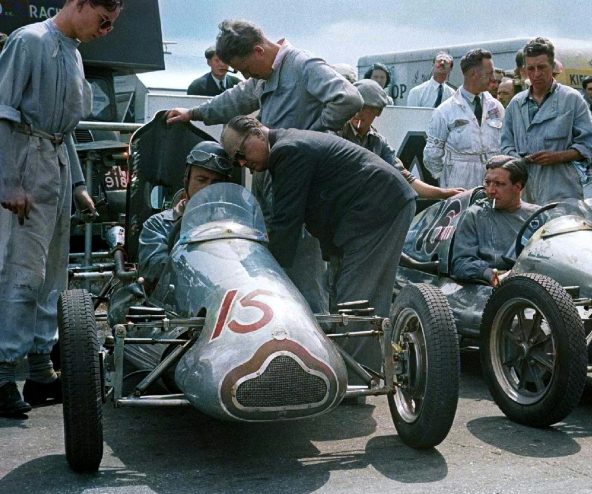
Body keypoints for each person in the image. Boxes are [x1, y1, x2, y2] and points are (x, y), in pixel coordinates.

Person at [165, 19, 363, 315]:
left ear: (258, 50)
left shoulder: (303, 65)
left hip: (301, 197)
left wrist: (311, 135)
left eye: (244, 68)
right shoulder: (265, 76)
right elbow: (235, 99)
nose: (245, 76)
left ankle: (319, 349)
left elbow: (348, 98)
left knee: (305, 279)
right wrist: (193, 113)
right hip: (273, 195)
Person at [0, 0, 122, 417]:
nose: (106, 31)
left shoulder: (72, 52)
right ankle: (1, 376)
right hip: (25, 163)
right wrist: (9, 181)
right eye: (103, 21)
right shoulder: (29, 41)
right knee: (20, 270)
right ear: (80, 4)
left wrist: (79, 183)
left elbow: (64, 128)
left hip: (53, 162)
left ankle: (39, 374)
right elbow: (2, 111)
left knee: (52, 274)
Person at [220, 115, 416, 320]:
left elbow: (286, 222)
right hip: (371, 210)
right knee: (345, 298)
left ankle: (359, 351)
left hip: (380, 206)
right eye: (236, 162)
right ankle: (357, 349)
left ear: (257, 133)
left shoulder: (286, 150)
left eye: (241, 153)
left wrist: (257, 269)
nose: (242, 163)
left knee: (356, 302)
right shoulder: (287, 144)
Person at [501, 37, 592, 204]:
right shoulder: (516, 104)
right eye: (531, 68)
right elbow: (505, 145)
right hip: (523, 188)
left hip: (561, 186)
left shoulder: (572, 99)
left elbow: (590, 143)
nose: (536, 74)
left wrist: (558, 157)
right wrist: (518, 159)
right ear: (525, 70)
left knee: (562, 227)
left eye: (542, 67)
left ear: (553, 67)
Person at [339, 79, 462, 199]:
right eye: (355, 106)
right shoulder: (336, 133)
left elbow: (406, 179)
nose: (358, 113)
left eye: (365, 108)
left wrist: (443, 193)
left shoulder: (378, 142)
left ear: (378, 111)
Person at [138, 142, 234, 286]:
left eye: (216, 182)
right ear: (186, 180)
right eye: (201, 180)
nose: (207, 188)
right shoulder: (158, 224)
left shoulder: (233, 227)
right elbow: (155, 269)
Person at [451, 155, 539, 286]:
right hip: (491, 289)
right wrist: (490, 274)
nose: (491, 191)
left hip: (537, 285)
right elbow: (461, 263)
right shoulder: (475, 215)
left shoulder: (538, 216)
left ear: (518, 187)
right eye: (487, 183)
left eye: (499, 184)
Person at [423, 48, 504, 190]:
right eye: (489, 73)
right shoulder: (445, 111)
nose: (493, 78)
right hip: (459, 185)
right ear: (474, 74)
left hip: (493, 181)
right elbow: (431, 156)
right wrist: (449, 176)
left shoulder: (496, 107)